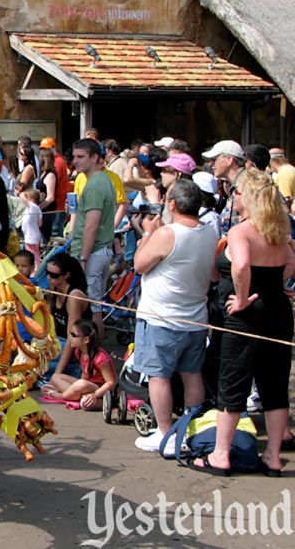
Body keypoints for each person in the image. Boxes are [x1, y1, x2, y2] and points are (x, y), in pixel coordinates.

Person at [193, 168, 295, 477]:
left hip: (247, 315)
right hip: (278, 310)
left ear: (247, 198)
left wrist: (241, 297)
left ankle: (221, 455)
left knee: (233, 382)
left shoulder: (242, 231)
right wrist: (279, 285)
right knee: (275, 386)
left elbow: (241, 265)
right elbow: (290, 262)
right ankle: (273, 456)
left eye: (237, 193)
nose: (233, 197)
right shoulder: (279, 230)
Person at [128, 179, 219, 453]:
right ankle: (189, 429)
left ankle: (166, 433)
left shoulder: (168, 233)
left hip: (162, 318)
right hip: (194, 316)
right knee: (191, 374)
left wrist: (147, 233)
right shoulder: (209, 233)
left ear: (173, 204)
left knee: (159, 376)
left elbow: (139, 265)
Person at [70, 137, 116, 339]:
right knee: (91, 303)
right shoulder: (103, 180)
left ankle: (95, 352)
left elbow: (91, 225)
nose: (76, 161)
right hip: (100, 249)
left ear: (95, 158)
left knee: (93, 305)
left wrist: (82, 258)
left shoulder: (96, 185)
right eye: (74, 157)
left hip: (93, 252)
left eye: (81, 157)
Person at [41, 319, 115, 410]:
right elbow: (84, 375)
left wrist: (95, 395)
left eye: (73, 335)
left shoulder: (100, 358)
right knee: (55, 377)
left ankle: (60, 396)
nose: (70, 337)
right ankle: (80, 396)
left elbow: (110, 382)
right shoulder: (79, 352)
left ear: (86, 340)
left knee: (82, 390)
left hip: (100, 389)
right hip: (86, 386)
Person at [45, 252, 91, 376]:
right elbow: (50, 324)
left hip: (73, 345)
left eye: (54, 275)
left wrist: (58, 372)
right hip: (57, 340)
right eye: (47, 273)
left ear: (66, 275)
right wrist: (49, 301)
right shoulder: (54, 290)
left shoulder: (73, 296)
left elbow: (72, 337)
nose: (49, 278)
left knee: (39, 363)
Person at [35, 146, 59, 237]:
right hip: (42, 211)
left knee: (46, 236)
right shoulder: (43, 173)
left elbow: (50, 197)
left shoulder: (50, 175)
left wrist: (38, 208)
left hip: (48, 212)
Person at [19, 187, 44, 265]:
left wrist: (25, 193)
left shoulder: (33, 207)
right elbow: (40, 224)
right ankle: (34, 268)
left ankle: (35, 269)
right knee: (32, 253)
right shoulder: (36, 209)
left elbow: (22, 195)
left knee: (33, 254)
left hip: (31, 236)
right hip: (31, 235)